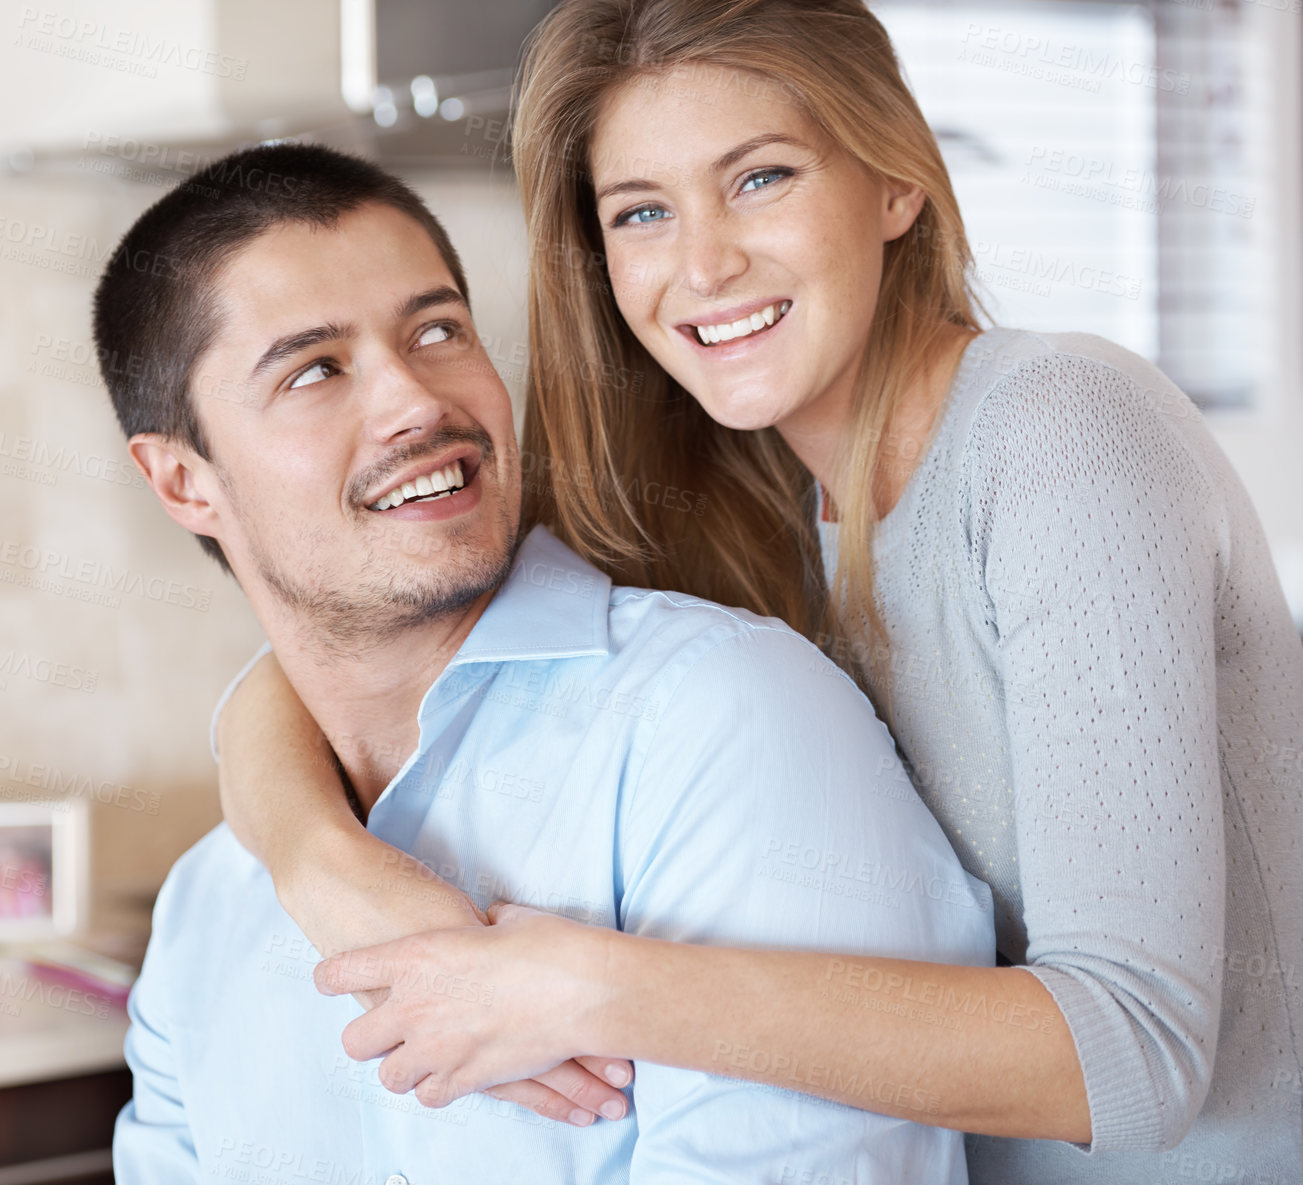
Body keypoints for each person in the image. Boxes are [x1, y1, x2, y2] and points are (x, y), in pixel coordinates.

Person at [213, 1, 1303, 1181]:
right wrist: (323, 865)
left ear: (894, 183)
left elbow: (1136, 1057)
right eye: (642, 212)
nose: (703, 264)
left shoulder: (1055, 431)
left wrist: (587, 989)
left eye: (761, 179)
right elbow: (336, 652)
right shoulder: (740, 503)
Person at [99, 141, 995, 1182]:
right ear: (182, 481)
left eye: (436, 330)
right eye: (315, 370)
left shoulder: (718, 720)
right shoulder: (208, 908)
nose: (415, 402)